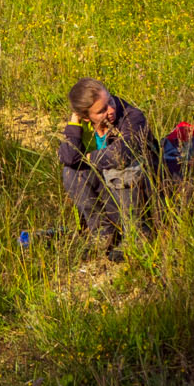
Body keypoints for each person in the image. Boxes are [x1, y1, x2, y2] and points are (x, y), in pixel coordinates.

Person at [58, 78, 166, 261]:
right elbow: (69, 157)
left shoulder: (132, 116)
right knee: (71, 172)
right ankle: (103, 233)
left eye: (110, 101)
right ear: (86, 117)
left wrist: (90, 157)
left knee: (120, 168)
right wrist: (74, 122)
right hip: (111, 197)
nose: (111, 110)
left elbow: (122, 153)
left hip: (143, 196)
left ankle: (138, 235)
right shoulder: (83, 125)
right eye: (101, 110)